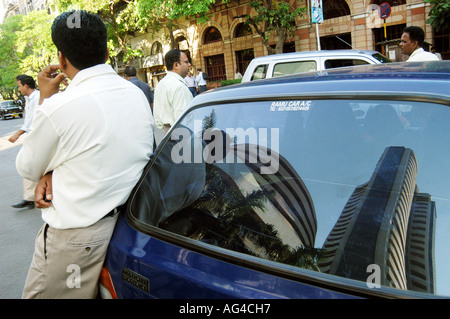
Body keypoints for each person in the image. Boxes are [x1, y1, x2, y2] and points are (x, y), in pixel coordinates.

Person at [16, 10, 155, 299]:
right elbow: (107, 148)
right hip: (126, 227)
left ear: (62, 58)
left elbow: (27, 167)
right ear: (106, 52)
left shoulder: (59, 107)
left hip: (75, 241)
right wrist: (55, 171)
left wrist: (44, 98)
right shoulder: (134, 94)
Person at [9, 75, 40, 209]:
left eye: (19, 85)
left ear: (26, 85)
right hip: (33, 136)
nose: (19, 88)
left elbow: (32, 120)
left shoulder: (37, 97)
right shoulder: (29, 99)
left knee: (27, 164)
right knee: (31, 165)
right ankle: (30, 197)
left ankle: (31, 197)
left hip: (37, 136)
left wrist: (17, 134)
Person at [153, 49, 193, 133]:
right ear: (176, 65)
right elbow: (184, 120)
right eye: (186, 62)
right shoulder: (179, 87)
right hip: (181, 135)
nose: (189, 65)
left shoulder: (161, 84)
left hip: (167, 134)